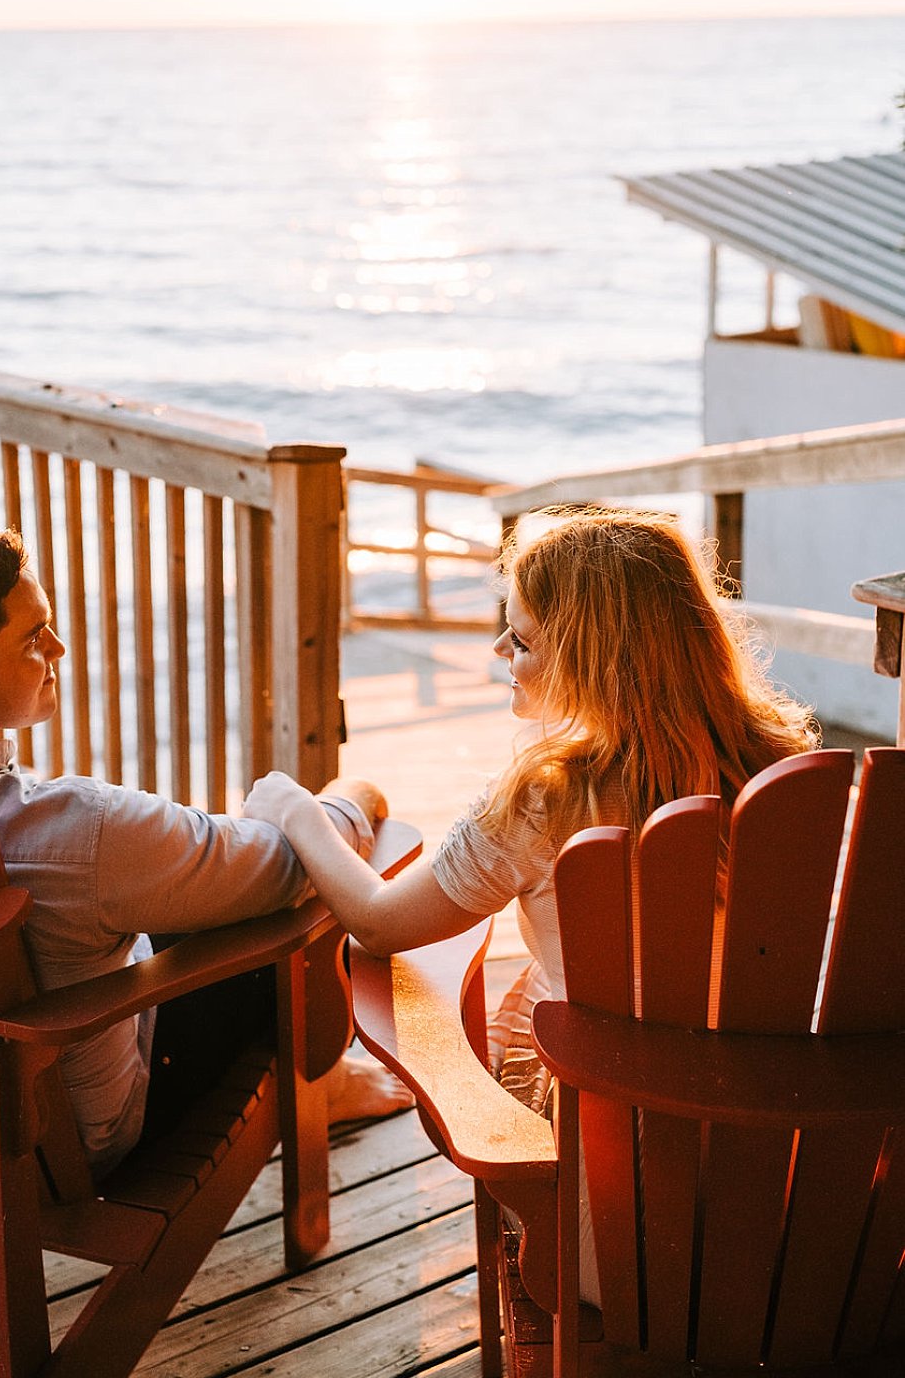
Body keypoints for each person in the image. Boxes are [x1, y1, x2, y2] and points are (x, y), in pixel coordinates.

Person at [243, 506, 818, 1301]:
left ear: (589, 656)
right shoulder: (798, 783)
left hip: (612, 1241)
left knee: (537, 998)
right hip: (814, 1222)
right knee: (545, 988)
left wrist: (298, 813)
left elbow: (376, 924)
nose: (499, 653)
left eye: (521, 639)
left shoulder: (547, 798)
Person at [0, 517, 409, 1180]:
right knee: (298, 921)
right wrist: (350, 797)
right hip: (77, 1140)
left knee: (159, 897)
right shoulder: (79, 830)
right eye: (32, 638)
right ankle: (326, 1086)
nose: (57, 648)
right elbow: (288, 868)